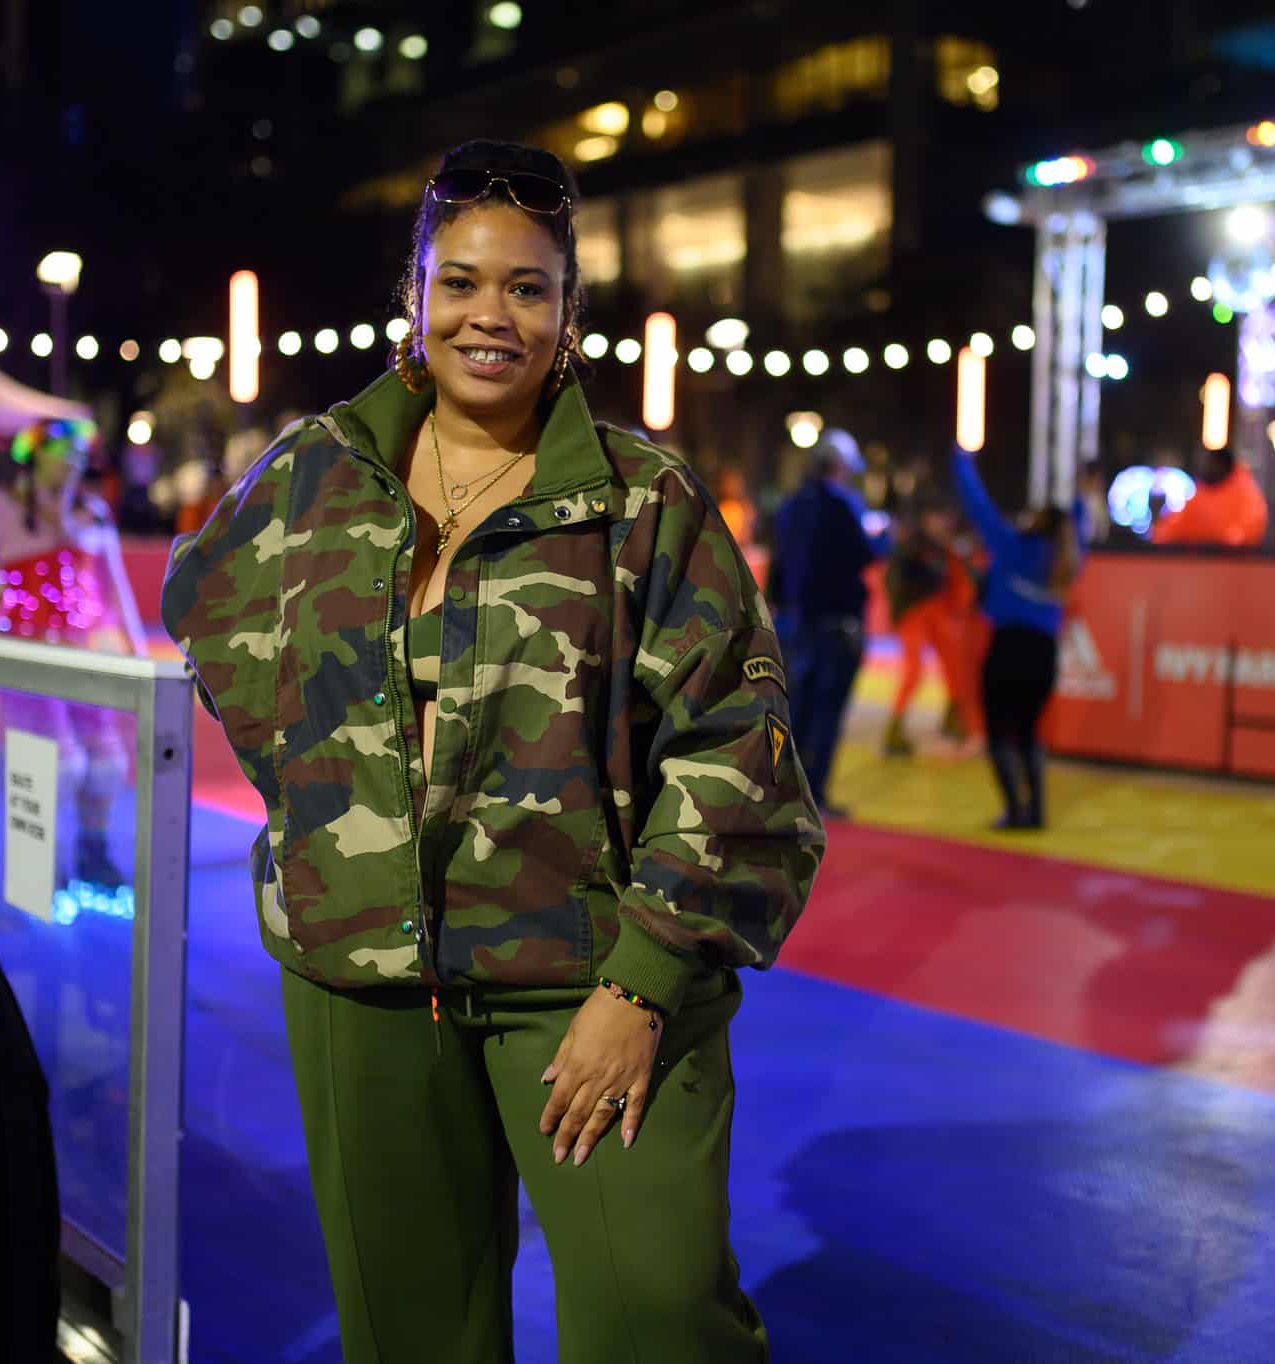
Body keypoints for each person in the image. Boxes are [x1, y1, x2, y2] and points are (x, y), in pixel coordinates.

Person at [160, 139, 823, 1364]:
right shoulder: (318, 472)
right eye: (460, 280)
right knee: (410, 1332)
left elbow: (740, 746)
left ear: (568, 312)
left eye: (526, 287)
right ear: (415, 295)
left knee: (653, 1312)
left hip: (588, 980)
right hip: (362, 985)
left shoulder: (642, 498)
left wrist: (639, 983)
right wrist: (324, 804)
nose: (490, 315)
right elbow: (207, 608)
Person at [0, 418, 147, 889]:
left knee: (107, 761)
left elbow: (117, 593)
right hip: (25, 653)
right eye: (61, 453)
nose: (72, 464)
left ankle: (94, 855)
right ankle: (40, 868)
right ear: (33, 456)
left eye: (78, 455)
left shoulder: (92, 512)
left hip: (81, 654)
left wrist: (139, 658)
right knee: (56, 763)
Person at [951, 445, 1084, 829]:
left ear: (1036, 521)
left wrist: (961, 462)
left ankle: (1014, 809)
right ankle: (1037, 810)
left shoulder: (1011, 547)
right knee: (1028, 734)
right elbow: (1079, 520)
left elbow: (978, 506)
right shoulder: (1067, 561)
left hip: (1007, 649)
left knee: (997, 736)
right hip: (1043, 654)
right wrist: (1081, 492)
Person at [764, 428, 890, 815]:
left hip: (796, 621)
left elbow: (779, 563)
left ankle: (780, 792)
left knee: (792, 710)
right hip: (836, 624)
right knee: (827, 712)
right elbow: (865, 554)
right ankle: (813, 794)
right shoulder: (842, 505)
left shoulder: (791, 505)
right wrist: (885, 538)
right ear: (839, 466)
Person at [882, 503, 986, 757]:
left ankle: (953, 717)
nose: (944, 523)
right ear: (928, 518)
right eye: (941, 517)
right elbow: (895, 580)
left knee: (954, 665)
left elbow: (962, 580)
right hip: (917, 612)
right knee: (914, 669)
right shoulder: (915, 546)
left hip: (937, 613)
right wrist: (902, 610)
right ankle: (895, 727)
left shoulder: (943, 548)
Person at [1150, 446, 1266, 547]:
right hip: (1199, 561)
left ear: (1223, 465)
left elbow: (1245, 532)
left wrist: (1224, 541)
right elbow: (1175, 528)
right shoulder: (1201, 491)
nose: (1205, 467)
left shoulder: (1245, 492)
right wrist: (1157, 539)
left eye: (1211, 463)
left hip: (1236, 563)